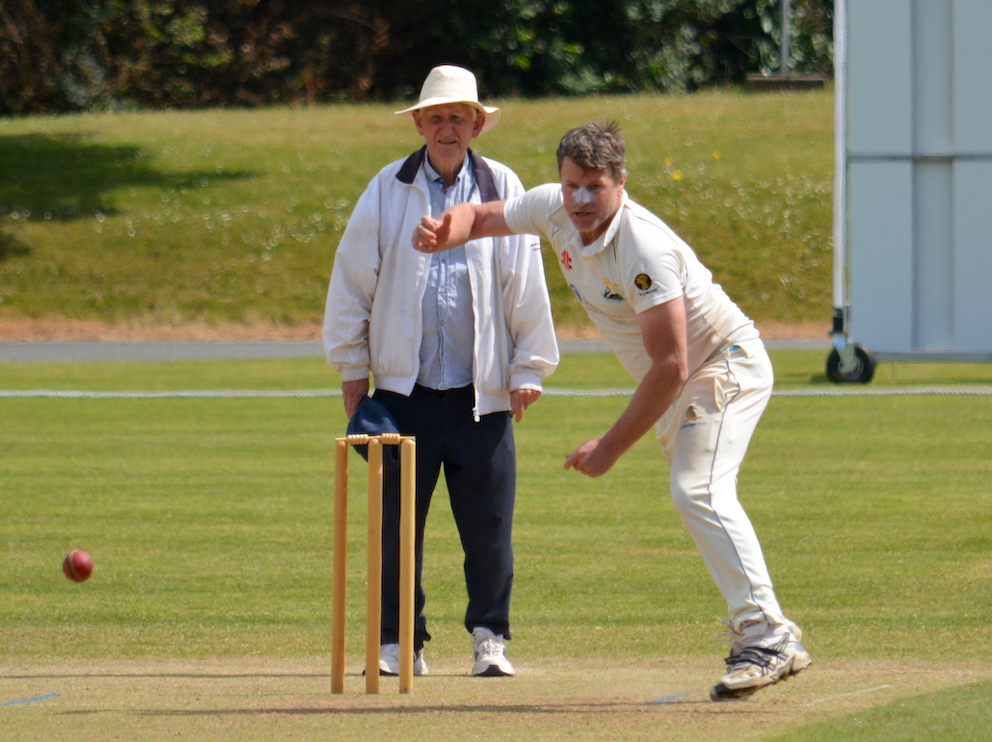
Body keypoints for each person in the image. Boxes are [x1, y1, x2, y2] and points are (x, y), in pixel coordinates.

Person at [412, 121, 811, 701]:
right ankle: (764, 629)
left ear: (620, 182)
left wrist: (609, 447)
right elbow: (484, 217)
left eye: (593, 187)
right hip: (684, 383)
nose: (579, 200)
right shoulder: (554, 207)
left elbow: (672, 363)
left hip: (724, 367)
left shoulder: (642, 248)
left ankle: (769, 636)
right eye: (571, 184)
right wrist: (452, 230)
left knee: (696, 490)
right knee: (697, 495)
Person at [323, 65, 559, 678]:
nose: (447, 127)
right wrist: (353, 370)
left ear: (477, 124)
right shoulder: (386, 187)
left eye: (459, 116)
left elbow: (524, 283)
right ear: (421, 124)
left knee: (489, 528)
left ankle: (490, 639)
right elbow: (353, 282)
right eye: (436, 117)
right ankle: (401, 641)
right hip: (405, 395)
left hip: (484, 392)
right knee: (397, 531)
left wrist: (529, 366)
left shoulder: (502, 183)